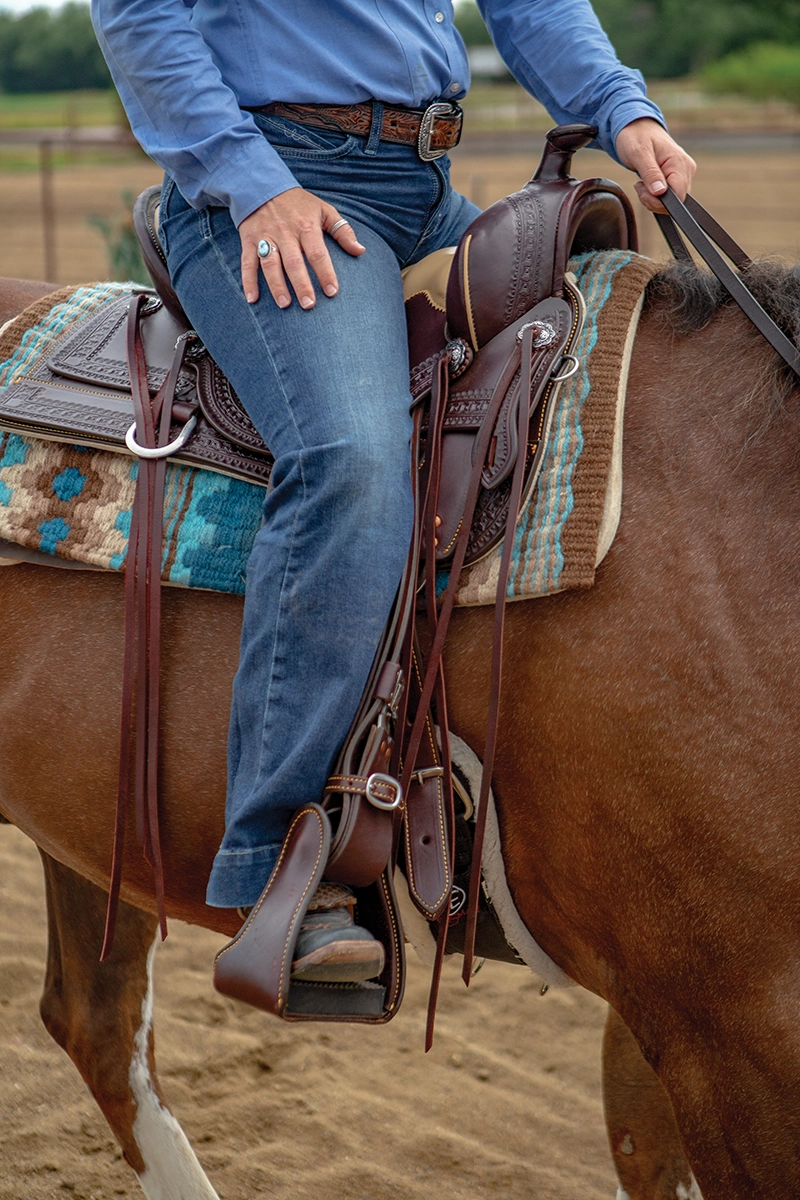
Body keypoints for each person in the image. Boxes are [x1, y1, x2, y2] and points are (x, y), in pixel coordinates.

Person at [91, 0, 695, 982]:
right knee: (353, 458)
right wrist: (252, 182)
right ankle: (280, 854)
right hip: (277, 185)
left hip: (425, 186)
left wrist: (622, 109)